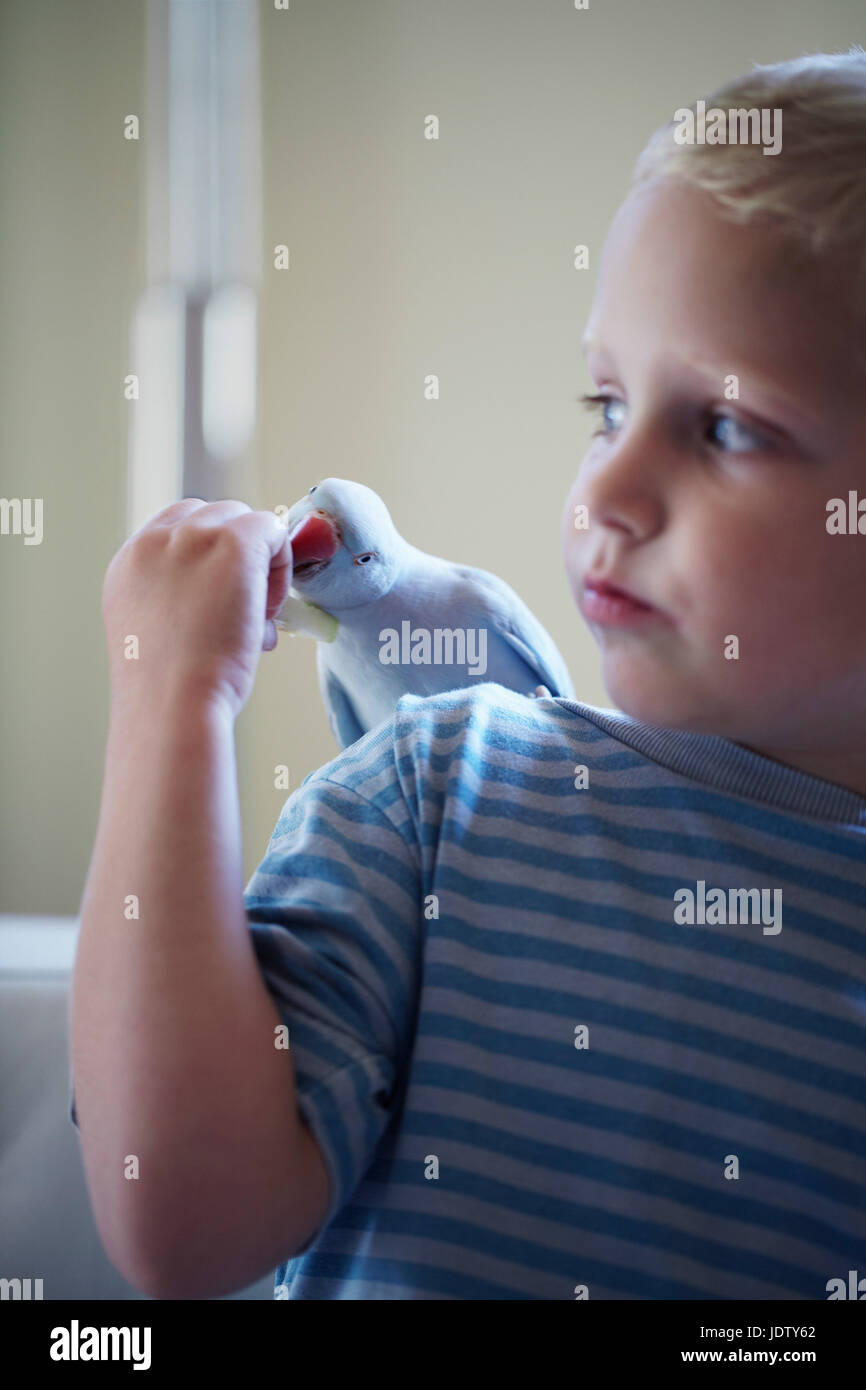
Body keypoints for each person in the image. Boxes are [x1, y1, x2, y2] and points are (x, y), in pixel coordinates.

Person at [69, 47, 866, 1299]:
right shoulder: (446, 792)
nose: (603, 488)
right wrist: (172, 700)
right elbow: (179, 1220)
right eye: (603, 405)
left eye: (722, 427)